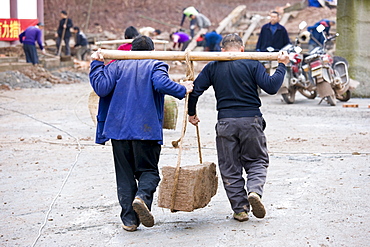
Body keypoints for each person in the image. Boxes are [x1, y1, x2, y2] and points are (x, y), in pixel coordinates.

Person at [89, 36, 193, 232]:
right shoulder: (155, 64)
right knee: (149, 171)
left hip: (118, 130)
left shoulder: (116, 65)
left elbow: (101, 88)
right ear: (152, 51)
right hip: (145, 129)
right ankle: (142, 197)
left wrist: (95, 64)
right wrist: (182, 88)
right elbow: (161, 84)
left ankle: (129, 221)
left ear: (131, 50)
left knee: (125, 175)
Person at [187, 34, 289, 222]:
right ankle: (255, 191)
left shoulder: (213, 65)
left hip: (226, 122)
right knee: (257, 160)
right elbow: (272, 87)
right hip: (251, 120)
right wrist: (282, 65)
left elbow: (195, 89)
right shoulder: (251, 63)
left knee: (229, 167)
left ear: (222, 50)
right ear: (242, 49)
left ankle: (240, 209)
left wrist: (191, 113)